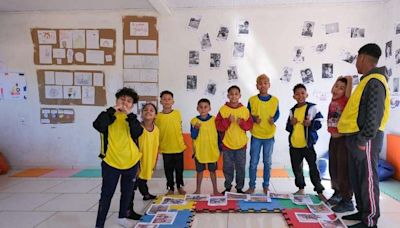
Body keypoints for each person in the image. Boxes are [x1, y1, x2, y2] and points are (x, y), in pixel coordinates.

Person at [338, 43, 390, 228]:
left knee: (367, 178)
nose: (355, 64)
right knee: (357, 177)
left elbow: (374, 114)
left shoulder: (375, 81)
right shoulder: (367, 80)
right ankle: (362, 212)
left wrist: (364, 138)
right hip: (357, 137)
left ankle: (370, 221)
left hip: (366, 139)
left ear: (361, 57)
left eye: (356, 60)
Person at [93, 87, 143, 228]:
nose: (125, 103)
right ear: (116, 100)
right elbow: (98, 125)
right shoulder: (108, 116)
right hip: (111, 162)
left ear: (132, 105)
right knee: (106, 195)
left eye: (129, 101)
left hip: (131, 161)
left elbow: (137, 132)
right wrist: (112, 110)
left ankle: (122, 217)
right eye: (122, 99)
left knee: (127, 192)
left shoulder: (131, 119)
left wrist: (130, 115)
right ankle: (99, 224)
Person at [285, 83, 325, 198]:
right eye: (297, 94)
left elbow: (319, 123)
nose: (300, 96)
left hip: (308, 145)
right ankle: (301, 188)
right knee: (296, 168)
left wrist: (310, 123)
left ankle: (319, 191)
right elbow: (288, 128)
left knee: (313, 167)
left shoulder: (313, 108)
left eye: (302, 93)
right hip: (294, 145)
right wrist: (291, 123)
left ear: (307, 94)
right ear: (294, 97)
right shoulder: (292, 111)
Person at [245, 74, 279, 195]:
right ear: (257, 86)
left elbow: (277, 113)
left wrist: (274, 119)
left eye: (265, 83)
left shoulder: (275, 100)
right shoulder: (252, 100)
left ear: (269, 85)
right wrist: (253, 119)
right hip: (256, 135)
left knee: (267, 162)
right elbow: (247, 115)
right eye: (260, 83)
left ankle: (266, 186)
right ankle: (252, 186)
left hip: (269, 136)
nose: (263, 85)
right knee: (253, 162)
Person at [216, 85, 253, 194]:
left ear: (239, 96)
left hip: (241, 145)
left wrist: (241, 122)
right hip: (227, 144)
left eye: (236, 94)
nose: (233, 96)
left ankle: (239, 187)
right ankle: (228, 187)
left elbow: (249, 126)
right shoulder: (223, 109)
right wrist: (227, 121)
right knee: (227, 167)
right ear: (228, 96)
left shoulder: (244, 110)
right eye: (231, 94)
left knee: (241, 167)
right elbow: (218, 126)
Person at [326, 76, 354, 213]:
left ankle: (347, 200)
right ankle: (337, 193)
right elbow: (333, 89)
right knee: (333, 168)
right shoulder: (333, 99)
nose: (337, 89)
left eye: (341, 88)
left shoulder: (346, 100)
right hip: (333, 139)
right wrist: (338, 79)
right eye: (336, 86)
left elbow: (348, 93)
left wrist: (349, 81)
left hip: (343, 140)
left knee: (343, 170)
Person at [155, 90, 187, 195]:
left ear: (173, 101)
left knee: (179, 170)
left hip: (178, 147)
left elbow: (179, 127)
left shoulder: (177, 113)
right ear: (161, 102)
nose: (167, 101)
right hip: (166, 149)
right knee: (168, 170)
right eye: (164, 99)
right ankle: (170, 188)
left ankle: (180, 186)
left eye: (169, 99)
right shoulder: (157, 117)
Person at [191, 98, 220, 195]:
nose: (203, 109)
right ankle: (197, 190)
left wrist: (220, 148)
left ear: (209, 108)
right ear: (197, 108)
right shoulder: (194, 121)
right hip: (200, 151)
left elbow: (219, 135)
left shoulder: (214, 120)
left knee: (213, 171)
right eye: (201, 107)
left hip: (212, 150)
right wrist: (196, 129)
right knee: (199, 171)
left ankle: (215, 190)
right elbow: (193, 136)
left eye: (205, 107)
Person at [135, 103, 159, 200]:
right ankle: (128, 204)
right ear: (141, 113)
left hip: (149, 159)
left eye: (151, 110)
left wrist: (155, 161)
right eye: (145, 110)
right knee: (135, 180)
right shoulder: (137, 128)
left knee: (143, 178)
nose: (148, 111)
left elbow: (156, 146)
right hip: (138, 159)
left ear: (155, 115)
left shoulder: (156, 129)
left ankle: (145, 194)